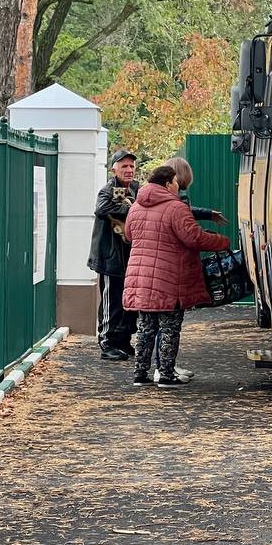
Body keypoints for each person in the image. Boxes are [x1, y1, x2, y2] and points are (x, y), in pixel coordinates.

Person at [123, 164, 230, 388]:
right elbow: (194, 238)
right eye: (175, 182)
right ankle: (165, 374)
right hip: (169, 277)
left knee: (145, 327)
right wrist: (222, 242)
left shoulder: (136, 206)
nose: (177, 186)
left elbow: (129, 234)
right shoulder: (175, 207)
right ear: (168, 182)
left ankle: (140, 374)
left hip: (140, 276)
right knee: (170, 327)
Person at [88, 149, 139, 362]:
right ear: (114, 169)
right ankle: (108, 343)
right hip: (110, 257)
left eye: (131, 166)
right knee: (112, 301)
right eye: (124, 166)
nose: (128, 170)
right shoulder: (108, 189)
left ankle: (123, 340)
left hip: (129, 255)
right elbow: (101, 209)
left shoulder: (136, 188)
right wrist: (131, 209)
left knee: (128, 302)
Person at [163, 157, 228, 227]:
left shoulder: (162, 196)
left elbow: (184, 211)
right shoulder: (173, 200)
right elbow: (187, 232)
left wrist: (208, 213)